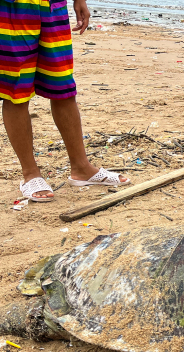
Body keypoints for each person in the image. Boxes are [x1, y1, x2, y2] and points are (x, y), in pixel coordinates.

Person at [1, 0, 129, 203]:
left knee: (63, 87)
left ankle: (81, 167)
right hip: (12, 8)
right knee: (17, 90)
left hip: (53, 6)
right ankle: (31, 173)